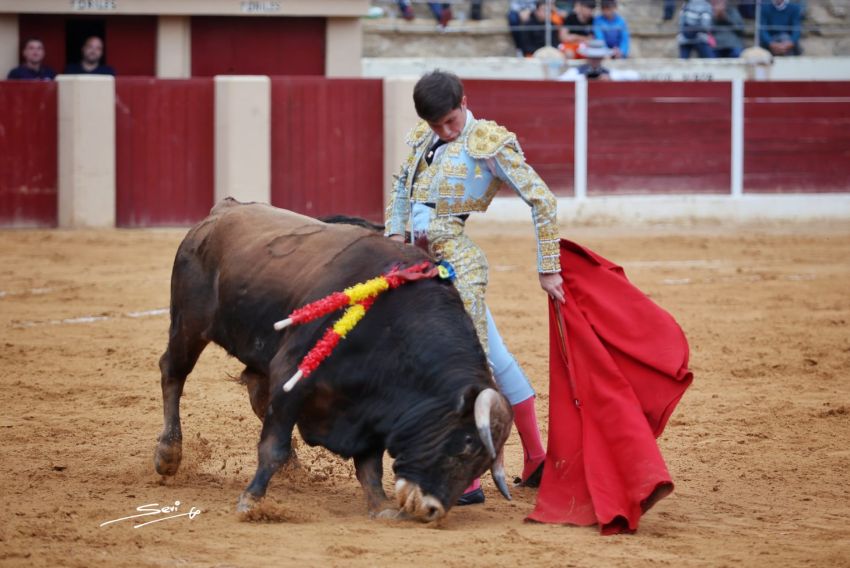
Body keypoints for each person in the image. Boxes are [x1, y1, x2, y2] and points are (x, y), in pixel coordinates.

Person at [384, 70, 562, 504]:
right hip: (418, 264)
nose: (445, 131)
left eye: (450, 120)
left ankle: (469, 478)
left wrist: (549, 268)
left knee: (464, 363)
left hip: (458, 261)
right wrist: (393, 238)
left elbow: (542, 199)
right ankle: (537, 457)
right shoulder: (423, 139)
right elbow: (401, 190)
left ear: (464, 101)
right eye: (436, 124)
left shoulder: (487, 142)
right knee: (492, 355)